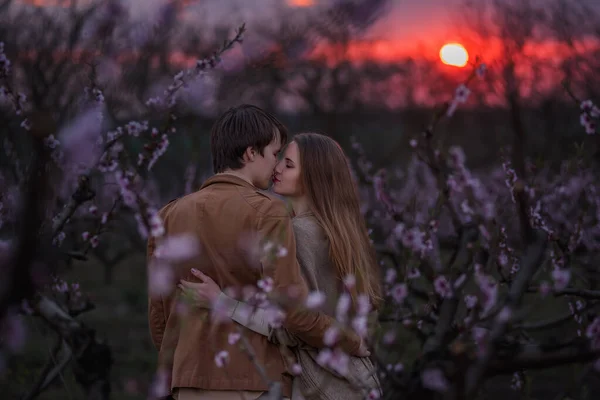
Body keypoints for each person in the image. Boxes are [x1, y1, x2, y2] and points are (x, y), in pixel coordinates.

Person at [147, 106, 368, 400]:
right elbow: (293, 313)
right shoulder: (267, 211)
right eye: (274, 153)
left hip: (187, 382)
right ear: (251, 153)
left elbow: (160, 319)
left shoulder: (167, 216)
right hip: (255, 381)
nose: (276, 164)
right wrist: (352, 341)